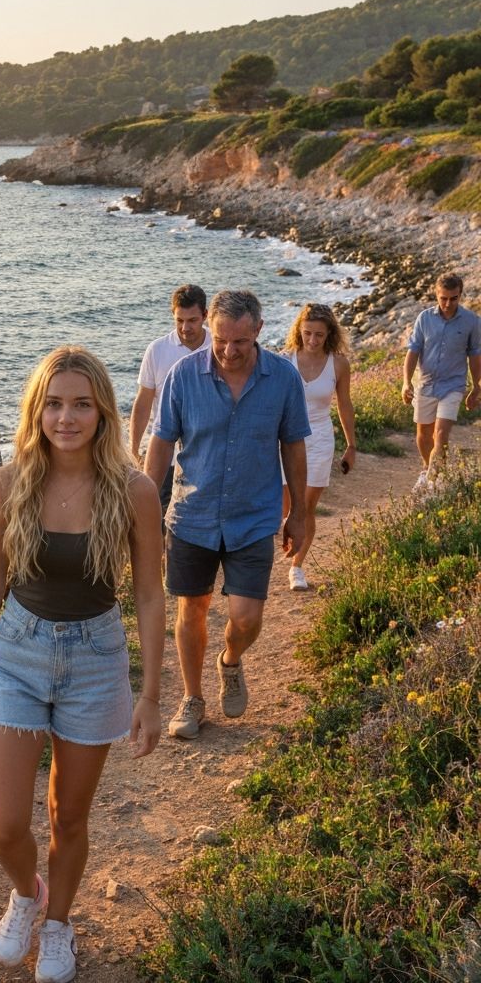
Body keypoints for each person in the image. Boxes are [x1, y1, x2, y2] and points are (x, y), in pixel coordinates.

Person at [0, 346, 164, 983]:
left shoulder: (134, 489)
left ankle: (61, 924)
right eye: (54, 404)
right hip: (17, 652)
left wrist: (150, 695)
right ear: (36, 410)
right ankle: (27, 893)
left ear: (102, 411)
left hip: (96, 658)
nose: (66, 417)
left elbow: (151, 593)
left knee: (69, 815)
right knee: (5, 825)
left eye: (80, 404)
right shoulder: (9, 481)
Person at [144, 289, 310, 741]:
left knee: (246, 617)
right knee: (191, 608)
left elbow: (293, 445)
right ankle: (192, 698)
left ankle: (230, 661)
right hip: (192, 514)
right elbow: (160, 443)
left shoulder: (283, 379)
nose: (228, 351)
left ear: (258, 331)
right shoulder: (182, 376)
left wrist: (298, 512)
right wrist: (143, 506)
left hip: (253, 516)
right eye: (220, 340)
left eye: (239, 342)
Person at [280, 303, 356, 591]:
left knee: (307, 508)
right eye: (308, 333)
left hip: (321, 438)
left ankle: (296, 567)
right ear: (299, 331)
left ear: (329, 335)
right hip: (287, 440)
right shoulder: (285, 361)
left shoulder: (338, 364)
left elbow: (345, 406)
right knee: (288, 508)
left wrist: (351, 445)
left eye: (319, 335)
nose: (312, 340)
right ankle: (289, 539)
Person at [128, 284, 211, 516]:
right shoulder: (157, 350)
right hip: (163, 452)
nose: (185, 328)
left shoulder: (218, 348)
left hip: (204, 452)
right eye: (179, 320)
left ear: (205, 315)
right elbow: (143, 402)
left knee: (196, 517)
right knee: (156, 515)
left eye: (192, 320)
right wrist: (134, 448)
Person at [402, 272, 481, 491]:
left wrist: (476, 386)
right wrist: (406, 382)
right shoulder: (424, 318)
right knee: (423, 435)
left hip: (453, 386)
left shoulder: (471, 321)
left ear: (460, 295)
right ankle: (428, 471)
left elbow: (475, 355)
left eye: (453, 298)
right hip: (426, 384)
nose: (448, 303)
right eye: (443, 298)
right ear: (436, 294)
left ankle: (435, 482)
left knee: (440, 433)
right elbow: (413, 351)